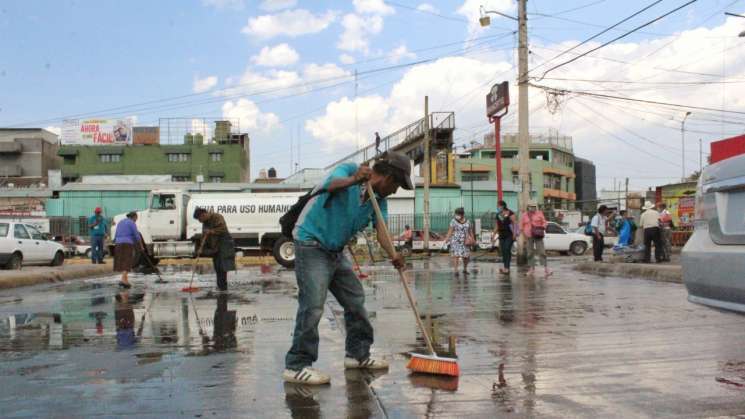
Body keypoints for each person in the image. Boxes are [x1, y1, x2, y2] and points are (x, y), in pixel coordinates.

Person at [284, 151, 412, 385]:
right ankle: (296, 365)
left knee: (355, 301)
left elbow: (382, 230)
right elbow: (329, 185)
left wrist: (395, 255)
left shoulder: (378, 201)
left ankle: (357, 354)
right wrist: (354, 180)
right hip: (311, 243)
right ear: (389, 178)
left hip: (335, 251)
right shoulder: (350, 170)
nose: (395, 191)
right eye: (397, 186)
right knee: (312, 306)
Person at [193, 208, 236, 292]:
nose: (199, 221)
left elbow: (223, 229)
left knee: (222, 267)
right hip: (215, 247)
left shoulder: (217, 217)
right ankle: (220, 287)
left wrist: (211, 231)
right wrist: (201, 248)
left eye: (199, 219)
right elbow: (204, 235)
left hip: (224, 245)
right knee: (217, 267)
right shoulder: (205, 222)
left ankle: (223, 287)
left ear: (203, 215)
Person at [520, 201, 552, 277]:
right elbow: (521, 226)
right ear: (528, 207)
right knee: (530, 252)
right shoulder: (524, 215)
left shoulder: (539, 213)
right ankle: (531, 269)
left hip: (538, 235)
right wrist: (523, 236)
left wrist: (542, 227)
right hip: (528, 236)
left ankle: (546, 268)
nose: (533, 208)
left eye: (534, 206)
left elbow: (545, 222)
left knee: (541, 251)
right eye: (531, 206)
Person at [113, 212, 145, 289]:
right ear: (134, 217)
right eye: (136, 218)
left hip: (118, 243)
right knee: (128, 261)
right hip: (127, 243)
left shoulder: (121, 222)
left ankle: (125, 280)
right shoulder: (132, 223)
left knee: (123, 261)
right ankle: (123, 280)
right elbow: (136, 235)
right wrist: (141, 246)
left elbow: (116, 233)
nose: (136, 220)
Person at [444, 207, 475, 275]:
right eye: (456, 214)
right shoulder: (453, 221)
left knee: (466, 256)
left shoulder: (468, 221)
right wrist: (446, 239)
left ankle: (465, 269)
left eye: (458, 214)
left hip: (465, 241)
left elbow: (470, 231)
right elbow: (450, 230)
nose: (456, 215)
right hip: (455, 241)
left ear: (462, 214)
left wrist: (473, 239)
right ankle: (456, 270)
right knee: (456, 256)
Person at [492, 200, 517, 274]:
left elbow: (514, 223)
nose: (497, 207)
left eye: (498, 206)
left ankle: (507, 268)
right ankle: (505, 267)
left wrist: (515, 234)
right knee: (503, 251)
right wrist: (493, 234)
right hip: (501, 235)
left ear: (502, 206)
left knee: (507, 249)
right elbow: (497, 226)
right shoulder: (498, 215)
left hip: (509, 234)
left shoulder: (510, 213)